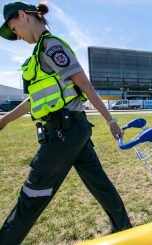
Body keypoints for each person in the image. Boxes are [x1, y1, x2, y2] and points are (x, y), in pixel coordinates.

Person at [0, 1, 132, 243]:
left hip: (64, 131)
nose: (16, 35)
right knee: (98, 182)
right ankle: (125, 229)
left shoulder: (51, 47)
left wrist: (110, 120)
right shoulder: (39, 53)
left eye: (13, 27)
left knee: (32, 194)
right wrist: (4, 121)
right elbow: (35, 99)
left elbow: (84, 84)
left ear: (23, 15)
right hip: (72, 129)